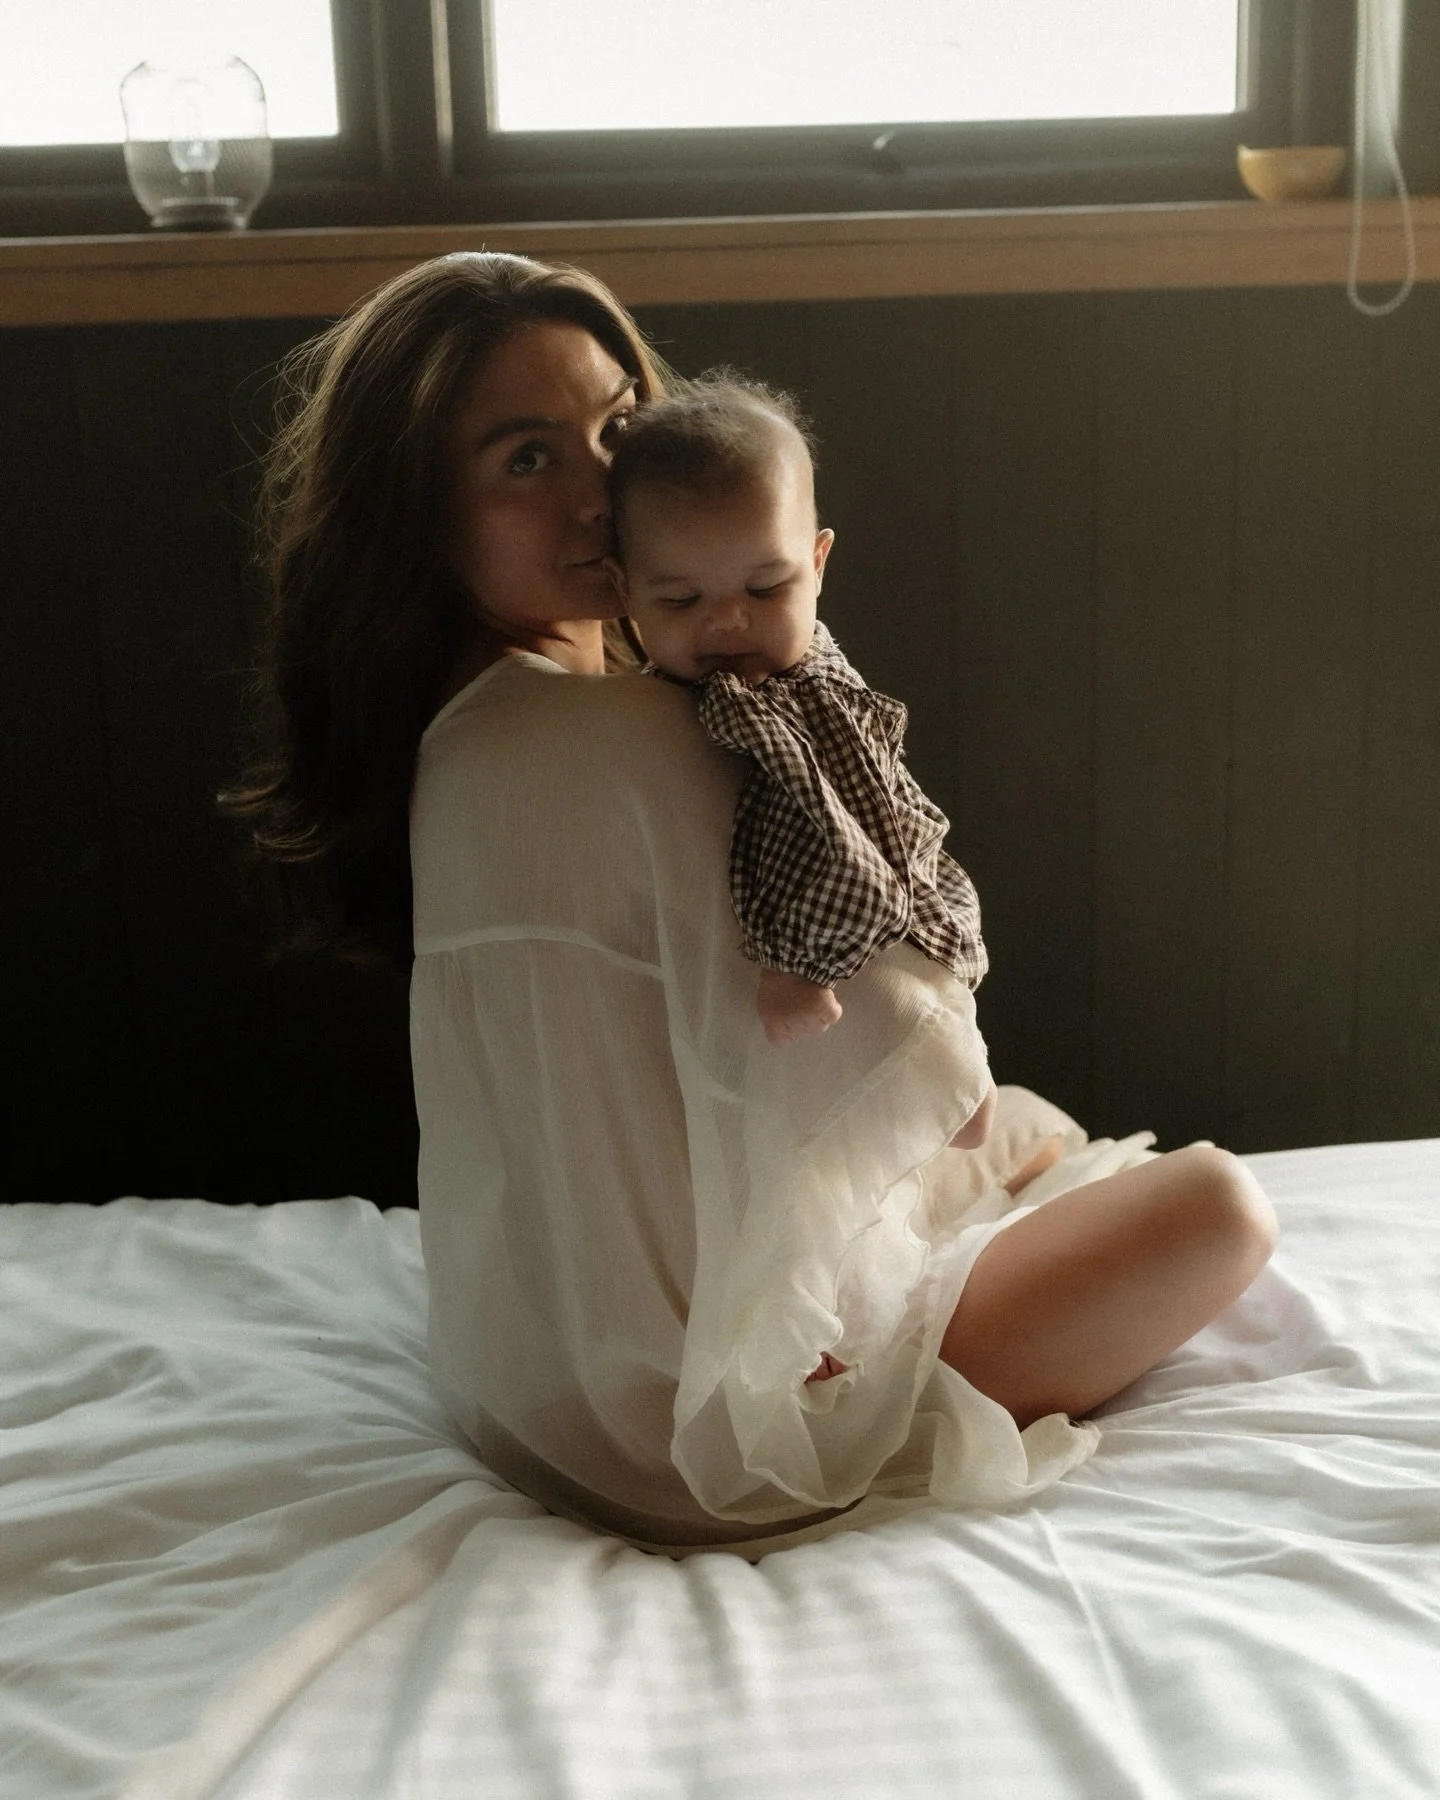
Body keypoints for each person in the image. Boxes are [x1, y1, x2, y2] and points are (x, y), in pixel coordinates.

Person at [220, 250, 1278, 1558]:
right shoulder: (630, 740)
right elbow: (888, 1036)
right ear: (420, 511)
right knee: (1219, 1208)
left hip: (525, 1391)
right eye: (527, 458)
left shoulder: (459, 736)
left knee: (1030, 1129)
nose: (606, 484)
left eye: (615, 426)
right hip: (690, 1444)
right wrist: (825, 1293)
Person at [605, 371, 986, 1054]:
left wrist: (797, 971)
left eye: (765, 586)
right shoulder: (657, 696)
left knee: (938, 1043)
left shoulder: (806, 709)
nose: (727, 621)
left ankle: (961, 1070)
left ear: (817, 565)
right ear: (624, 592)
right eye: (681, 601)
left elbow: (865, 872)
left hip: (893, 952)